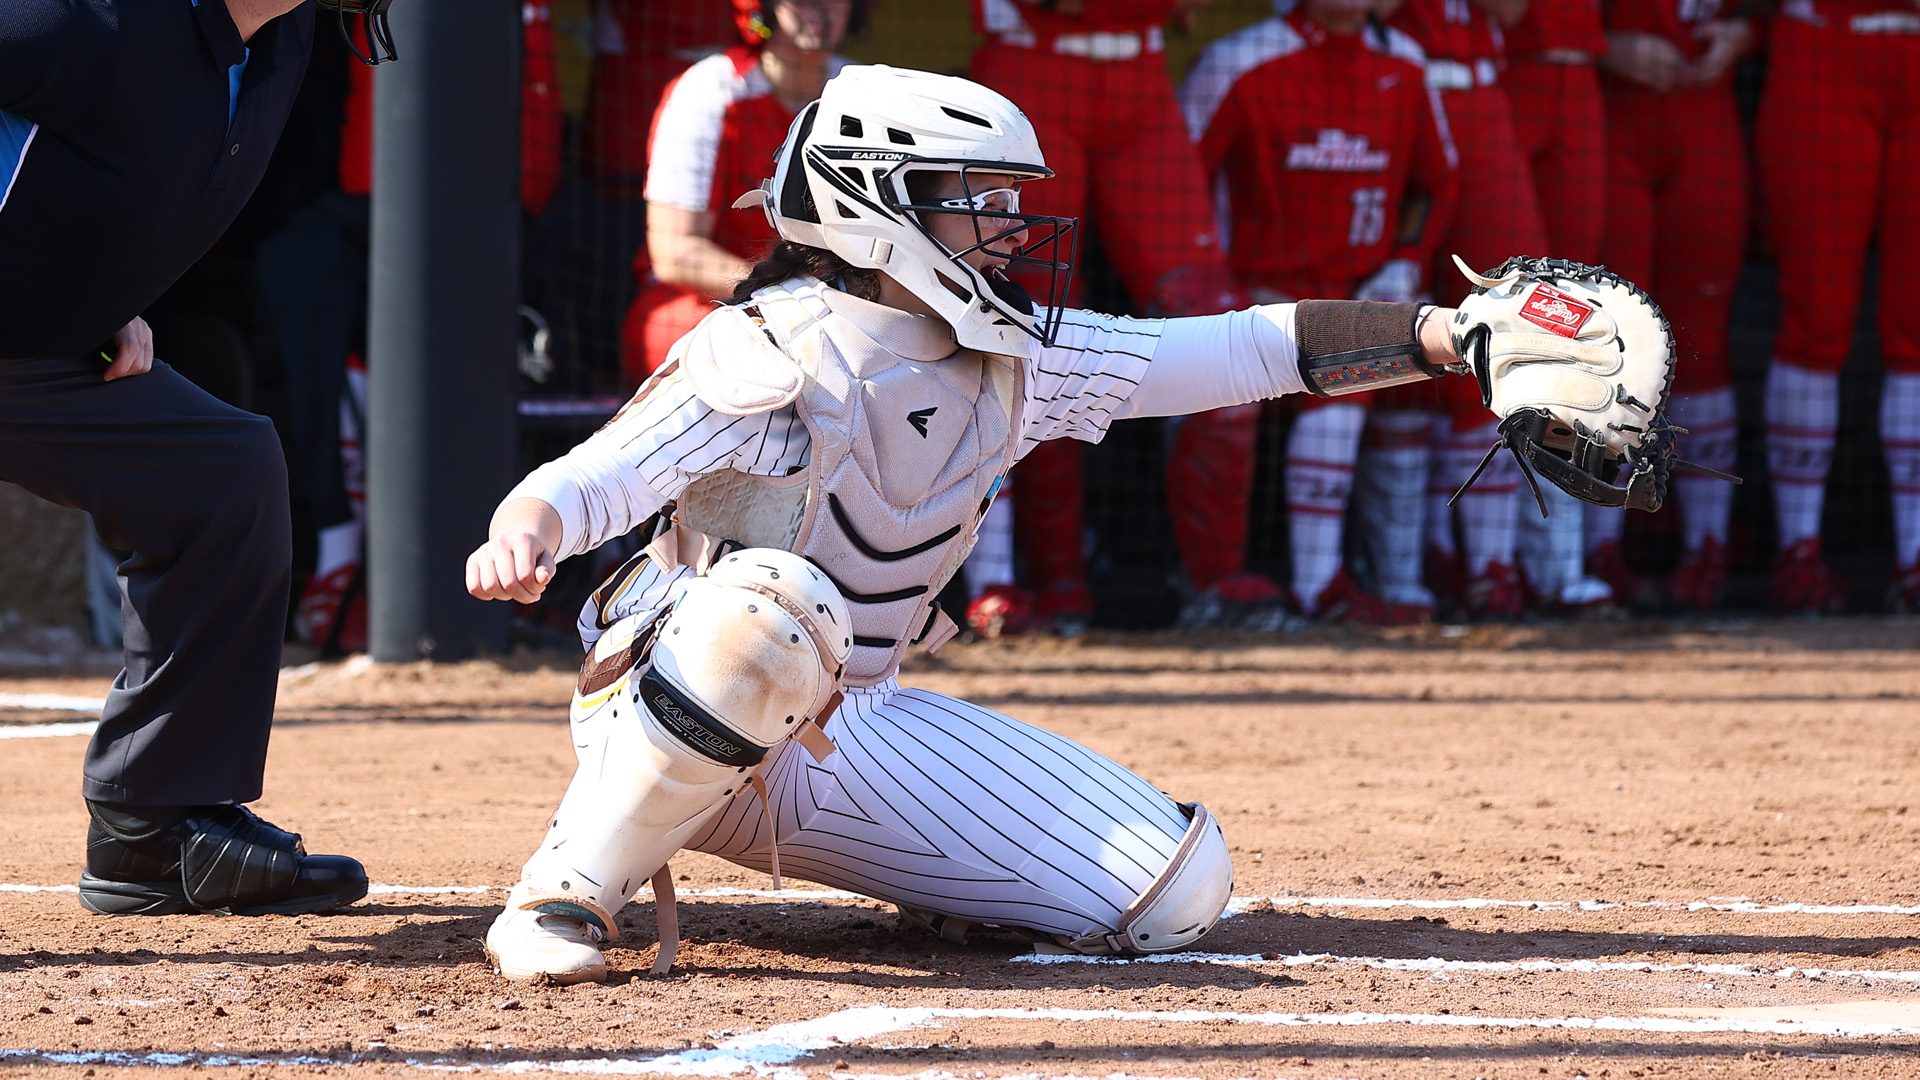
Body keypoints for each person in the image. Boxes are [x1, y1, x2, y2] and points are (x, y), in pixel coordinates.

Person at [461, 64, 1662, 984]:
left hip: (844, 731)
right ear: (880, 208)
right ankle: (564, 893)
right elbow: (593, 477)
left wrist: (1442, 336)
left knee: (1176, 891)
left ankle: (947, 877)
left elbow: (1236, 349)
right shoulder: (763, 347)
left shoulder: (1016, 359)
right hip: (670, 696)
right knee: (772, 605)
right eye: (976, 201)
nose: (1005, 226)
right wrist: (526, 528)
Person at [0, 0, 374, 915]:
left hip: (35, 352)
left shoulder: (281, 44)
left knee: (221, 473)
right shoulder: (81, 17)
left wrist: (93, 292)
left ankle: (151, 825)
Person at [967, 0, 1263, 632]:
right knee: (1027, 330)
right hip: (1031, 79)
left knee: (1215, 316)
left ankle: (1216, 581)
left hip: (1141, 83)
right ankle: (1053, 582)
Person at [1181, 0, 1459, 621]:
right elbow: (1175, 184)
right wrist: (1209, 288)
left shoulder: (1406, 64)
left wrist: (1407, 259)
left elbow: (1438, 181)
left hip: (1354, 298)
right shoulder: (1239, 61)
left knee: (1352, 389)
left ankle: (1318, 588)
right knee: (1222, 416)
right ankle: (1210, 588)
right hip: (1244, 306)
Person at [1755, 0, 1920, 613]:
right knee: (1816, 318)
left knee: (1917, 322)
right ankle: (1798, 553)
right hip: (1825, 49)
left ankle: (1915, 558)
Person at [1386, 0, 1544, 619]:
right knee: (1392, 340)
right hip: (1396, 75)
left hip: (1481, 91)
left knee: (1508, 330)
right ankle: (1403, 567)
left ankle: (1488, 563)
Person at [1597, 0, 1752, 611]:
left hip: (1706, 120)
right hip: (1613, 120)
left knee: (1704, 341)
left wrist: (1743, 33)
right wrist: (1606, 46)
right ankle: (1596, 546)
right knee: (1608, 344)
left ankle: (1707, 547)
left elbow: (1772, 16)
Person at [619, 0, 861, 386]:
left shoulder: (861, 93)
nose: (820, 9)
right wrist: (788, 299)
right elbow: (674, 253)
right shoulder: (709, 88)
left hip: (834, 304)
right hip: (706, 300)